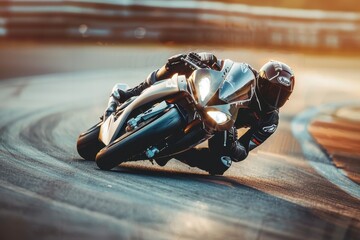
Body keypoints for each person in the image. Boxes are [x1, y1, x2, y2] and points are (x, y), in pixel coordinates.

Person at [103, 52, 295, 175]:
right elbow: (221, 64)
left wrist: (235, 145)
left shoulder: (270, 121)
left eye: (281, 95)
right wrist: (204, 57)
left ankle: (177, 152)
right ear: (261, 82)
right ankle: (132, 92)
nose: (274, 97)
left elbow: (243, 152)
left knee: (221, 164)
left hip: (222, 123)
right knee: (178, 62)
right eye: (271, 90)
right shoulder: (246, 74)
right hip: (207, 95)